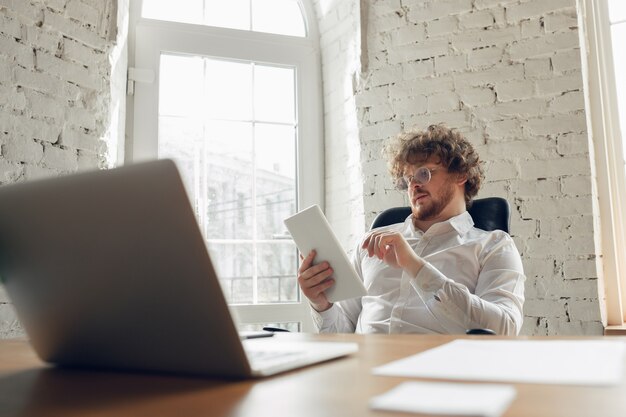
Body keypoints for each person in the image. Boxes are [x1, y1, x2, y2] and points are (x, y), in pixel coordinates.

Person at [298, 124, 525, 335]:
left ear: (460, 174)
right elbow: (343, 334)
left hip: (435, 372)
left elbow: (505, 328)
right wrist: (321, 304)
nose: (413, 185)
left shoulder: (493, 246)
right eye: (407, 179)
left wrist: (415, 266)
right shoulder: (370, 244)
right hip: (362, 371)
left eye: (423, 173)